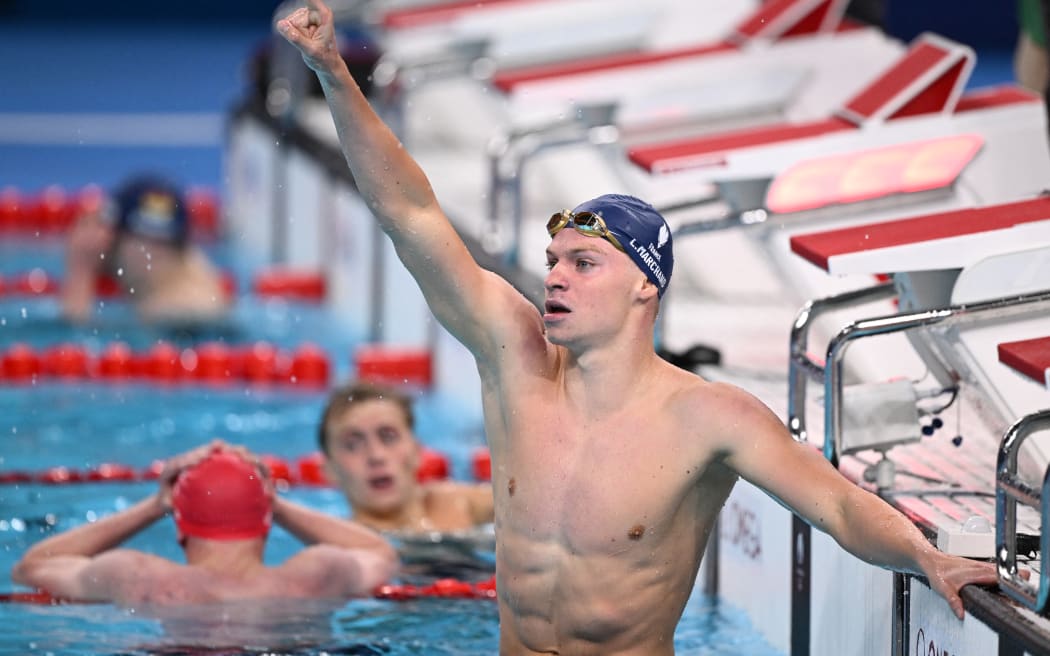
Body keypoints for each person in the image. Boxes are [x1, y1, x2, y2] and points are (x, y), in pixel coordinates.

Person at [277, 2, 1000, 653]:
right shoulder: (512, 357)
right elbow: (411, 214)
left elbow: (841, 504)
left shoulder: (708, 418)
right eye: (554, 259)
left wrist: (928, 558)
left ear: (644, 289)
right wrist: (334, 73)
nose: (554, 276)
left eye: (584, 264)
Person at [11, 440, 398, 609]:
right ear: (266, 525)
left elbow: (32, 567)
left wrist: (151, 505)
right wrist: (276, 503)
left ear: (180, 525)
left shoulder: (136, 577)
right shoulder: (318, 573)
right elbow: (380, 552)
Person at [319, 380, 494, 533]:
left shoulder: (458, 503)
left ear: (417, 451)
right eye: (352, 445)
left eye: (388, 437)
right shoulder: (340, 545)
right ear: (329, 470)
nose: (375, 455)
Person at [61, 173, 229, 325]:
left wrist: (81, 272)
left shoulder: (171, 312)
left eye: (115, 238)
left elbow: (75, 339)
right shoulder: (194, 267)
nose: (107, 248)